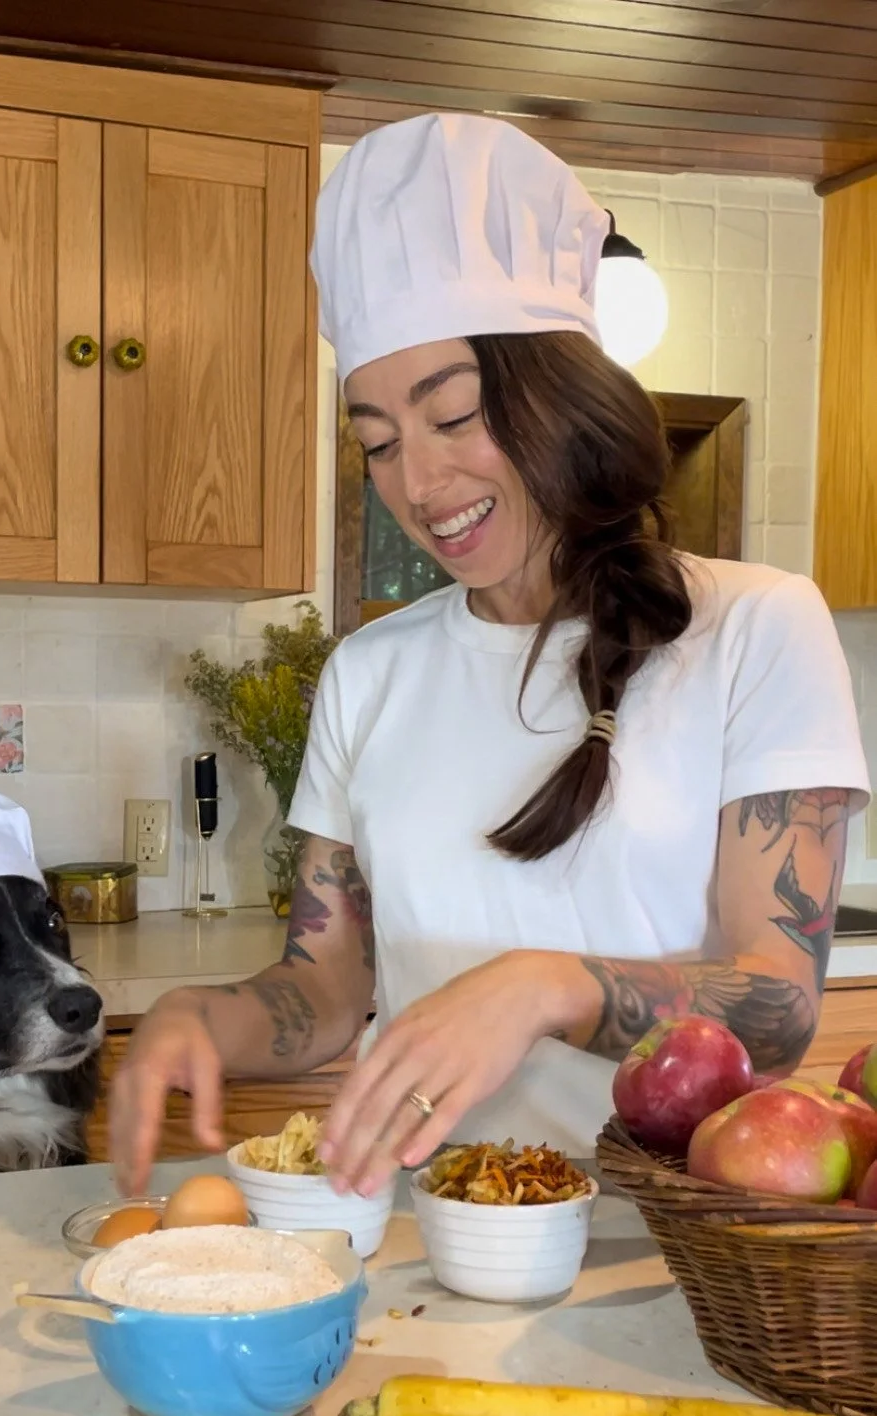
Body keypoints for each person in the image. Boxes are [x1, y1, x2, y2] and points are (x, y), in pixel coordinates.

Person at [112, 114, 869, 1200]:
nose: (419, 484)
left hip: (659, 1257)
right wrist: (199, 1017)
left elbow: (779, 1004)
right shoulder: (371, 673)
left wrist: (541, 990)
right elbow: (326, 990)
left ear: (557, 399)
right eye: (378, 442)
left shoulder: (754, 629)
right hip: (416, 1232)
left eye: (454, 415)